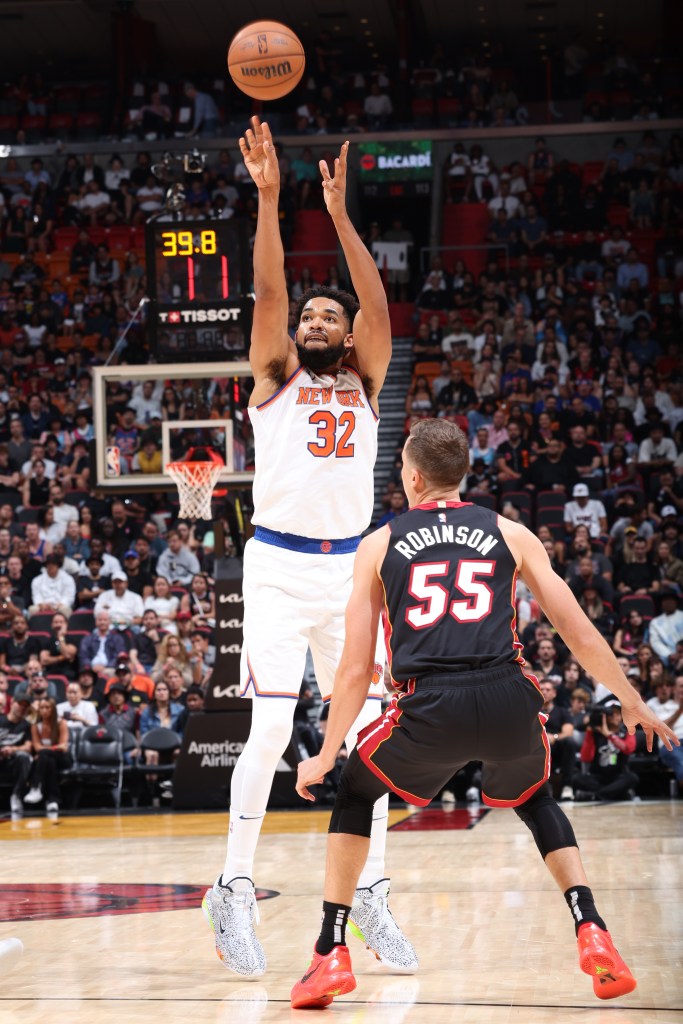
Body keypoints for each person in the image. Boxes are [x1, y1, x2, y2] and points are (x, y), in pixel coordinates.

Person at [291, 418, 678, 1009]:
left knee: (353, 791)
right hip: (506, 694)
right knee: (538, 798)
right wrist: (629, 697)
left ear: (414, 476)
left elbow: (352, 670)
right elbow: (575, 628)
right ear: (461, 475)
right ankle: (592, 929)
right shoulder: (510, 532)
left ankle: (329, 953)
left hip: (430, 703)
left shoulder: (379, 544)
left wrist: (323, 754)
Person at [202, 117, 415, 979]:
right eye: (313, 315)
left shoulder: (365, 378)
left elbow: (377, 303)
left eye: (332, 313)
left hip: (351, 570)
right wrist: (267, 199)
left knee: (373, 739)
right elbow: (267, 294)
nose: (321, 319)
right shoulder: (273, 375)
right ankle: (233, 886)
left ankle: (369, 895)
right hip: (280, 567)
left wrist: (338, 214)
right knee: (267, 729)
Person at [24, 697, 71, 820]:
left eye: (47, 707)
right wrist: (47, 750)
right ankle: (52, 801)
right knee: (50, 762)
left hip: (64, 759)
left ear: (53, 709)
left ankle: (36, 786)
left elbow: (63, 747)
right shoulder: (35, 725)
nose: (44, 710)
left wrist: (45, 750)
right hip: (49, 760)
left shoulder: (61, 723)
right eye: (41, 708)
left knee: (44, 755)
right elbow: (36, 746)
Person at [0, 694, 33, 819]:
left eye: (26, 706)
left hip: (13, 760)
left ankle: (16, 795)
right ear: (12, 702)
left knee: (24, 756)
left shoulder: (27, 725)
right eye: (20, 704)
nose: (22, 708)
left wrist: (13, 749)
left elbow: (28, 747)